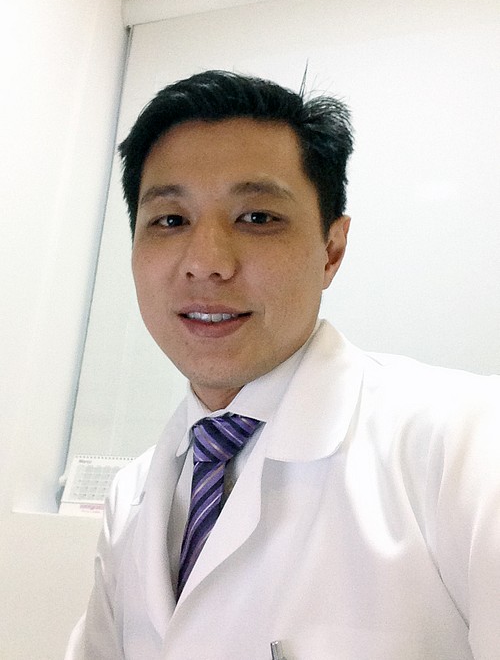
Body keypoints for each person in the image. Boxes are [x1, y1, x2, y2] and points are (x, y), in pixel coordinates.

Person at [65, 71, 500, 660]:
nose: (207, 262)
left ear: (331, 250)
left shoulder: (467, 445)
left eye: (257, 218)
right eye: (170, 220)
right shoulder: (134, 495)